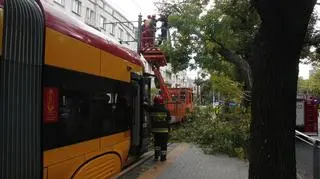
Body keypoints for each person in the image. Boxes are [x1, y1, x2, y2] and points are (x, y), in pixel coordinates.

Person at [148, 95, 171, 161]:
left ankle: (156, 156)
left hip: (155, 131)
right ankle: (163, 158)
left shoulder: (152, 109)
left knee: (157, 144)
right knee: (163, 144)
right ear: (162, 102)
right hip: (164, 131)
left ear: (154, 102)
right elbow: (169, 120)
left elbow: (146, 107)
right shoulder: (166, 110)